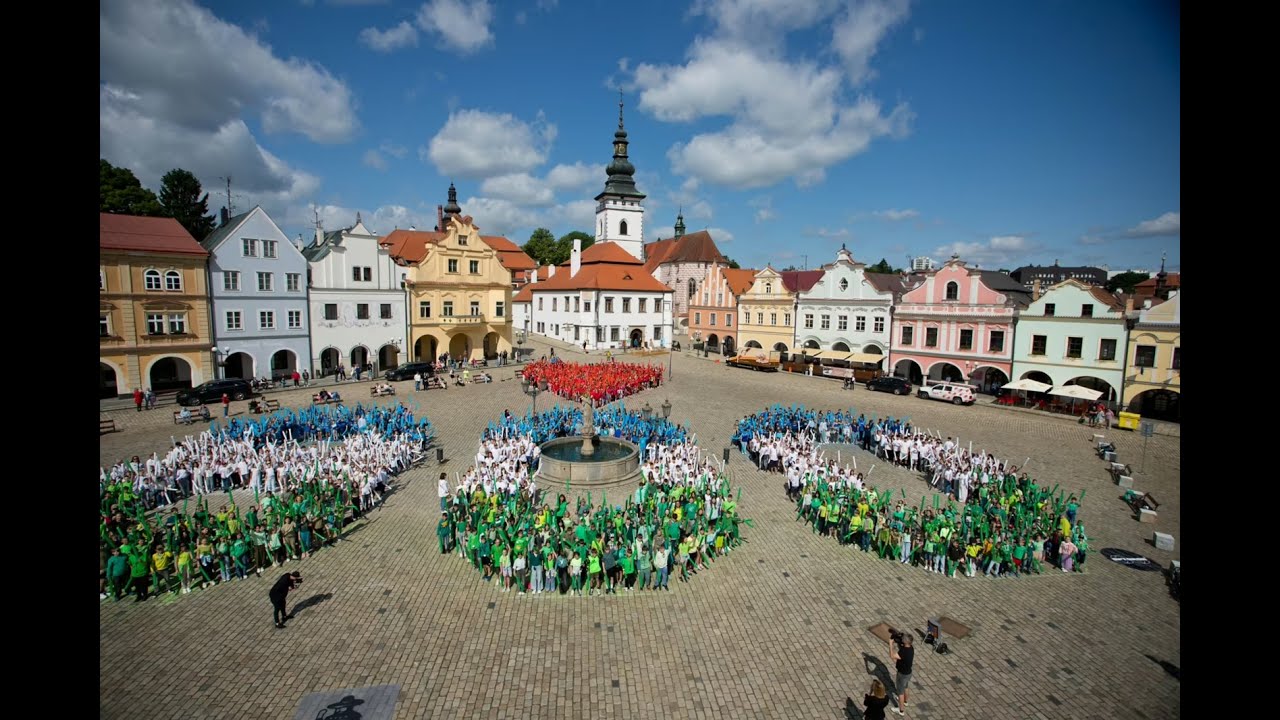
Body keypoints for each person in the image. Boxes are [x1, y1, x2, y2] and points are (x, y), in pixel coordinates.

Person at [889, 632, 914, 715]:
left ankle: (901, 710)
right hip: (908, 673)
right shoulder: (911, 648)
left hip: (902, 674)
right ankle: (905, 701)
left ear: (905, 642)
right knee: (906, 686)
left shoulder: (903, 651)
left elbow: (892, 656)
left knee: (900, 692)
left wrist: (890, 644)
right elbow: (902, 645)